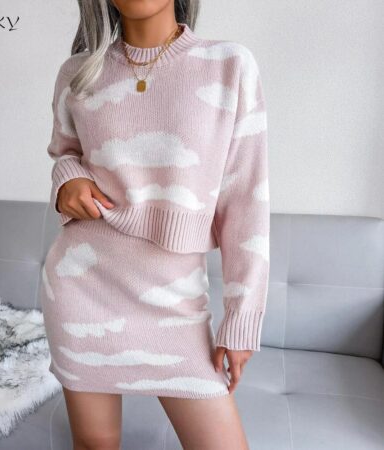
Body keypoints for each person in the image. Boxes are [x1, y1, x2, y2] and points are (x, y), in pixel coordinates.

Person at [41, 1, 270, 449]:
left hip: (176, 303)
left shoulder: (229, 65)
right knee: (95, 445)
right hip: (83, 291)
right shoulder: (78, 73)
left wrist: (241, 317)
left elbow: (247, 201)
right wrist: (68, 179)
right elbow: (65, 152)